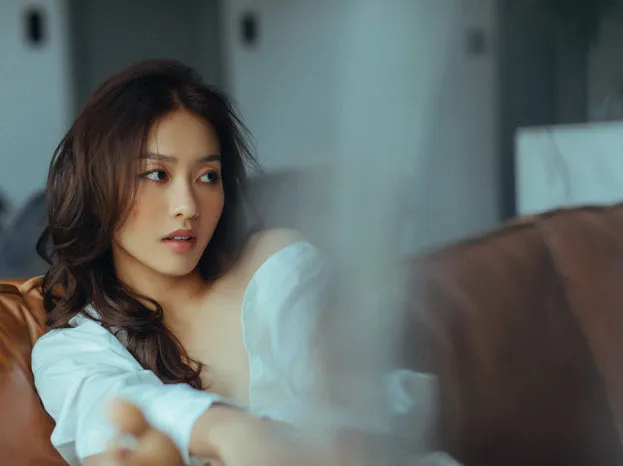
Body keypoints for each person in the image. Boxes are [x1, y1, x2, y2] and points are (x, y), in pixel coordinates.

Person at [31, 59, 458, 465]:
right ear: (97, 185)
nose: (187, 207)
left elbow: (367, 401)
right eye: (157, 174)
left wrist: (255, 440)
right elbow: (108, 412)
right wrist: (224, 431)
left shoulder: (276, 270)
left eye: (207, 177)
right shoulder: (73, 350)